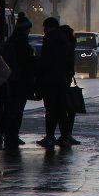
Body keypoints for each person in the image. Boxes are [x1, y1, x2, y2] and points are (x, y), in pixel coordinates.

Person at [0, 13, 35, 149]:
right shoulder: (22, 44)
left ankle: (8, 134)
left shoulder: (9, 42)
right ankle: (12, 136)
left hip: (9, 80)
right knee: (17, 110)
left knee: (9, 108)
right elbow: (27, 64)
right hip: (20, 81)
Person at [36, 17, 73, 148]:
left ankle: (50, 136)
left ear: (50, 28)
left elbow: (46, 61)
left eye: (45, 27)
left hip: (51, 80)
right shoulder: (64, 40)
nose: (44, 30)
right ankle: (64, 136)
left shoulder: (50, 40)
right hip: (62, 80)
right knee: (61, 110)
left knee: (51, 110)